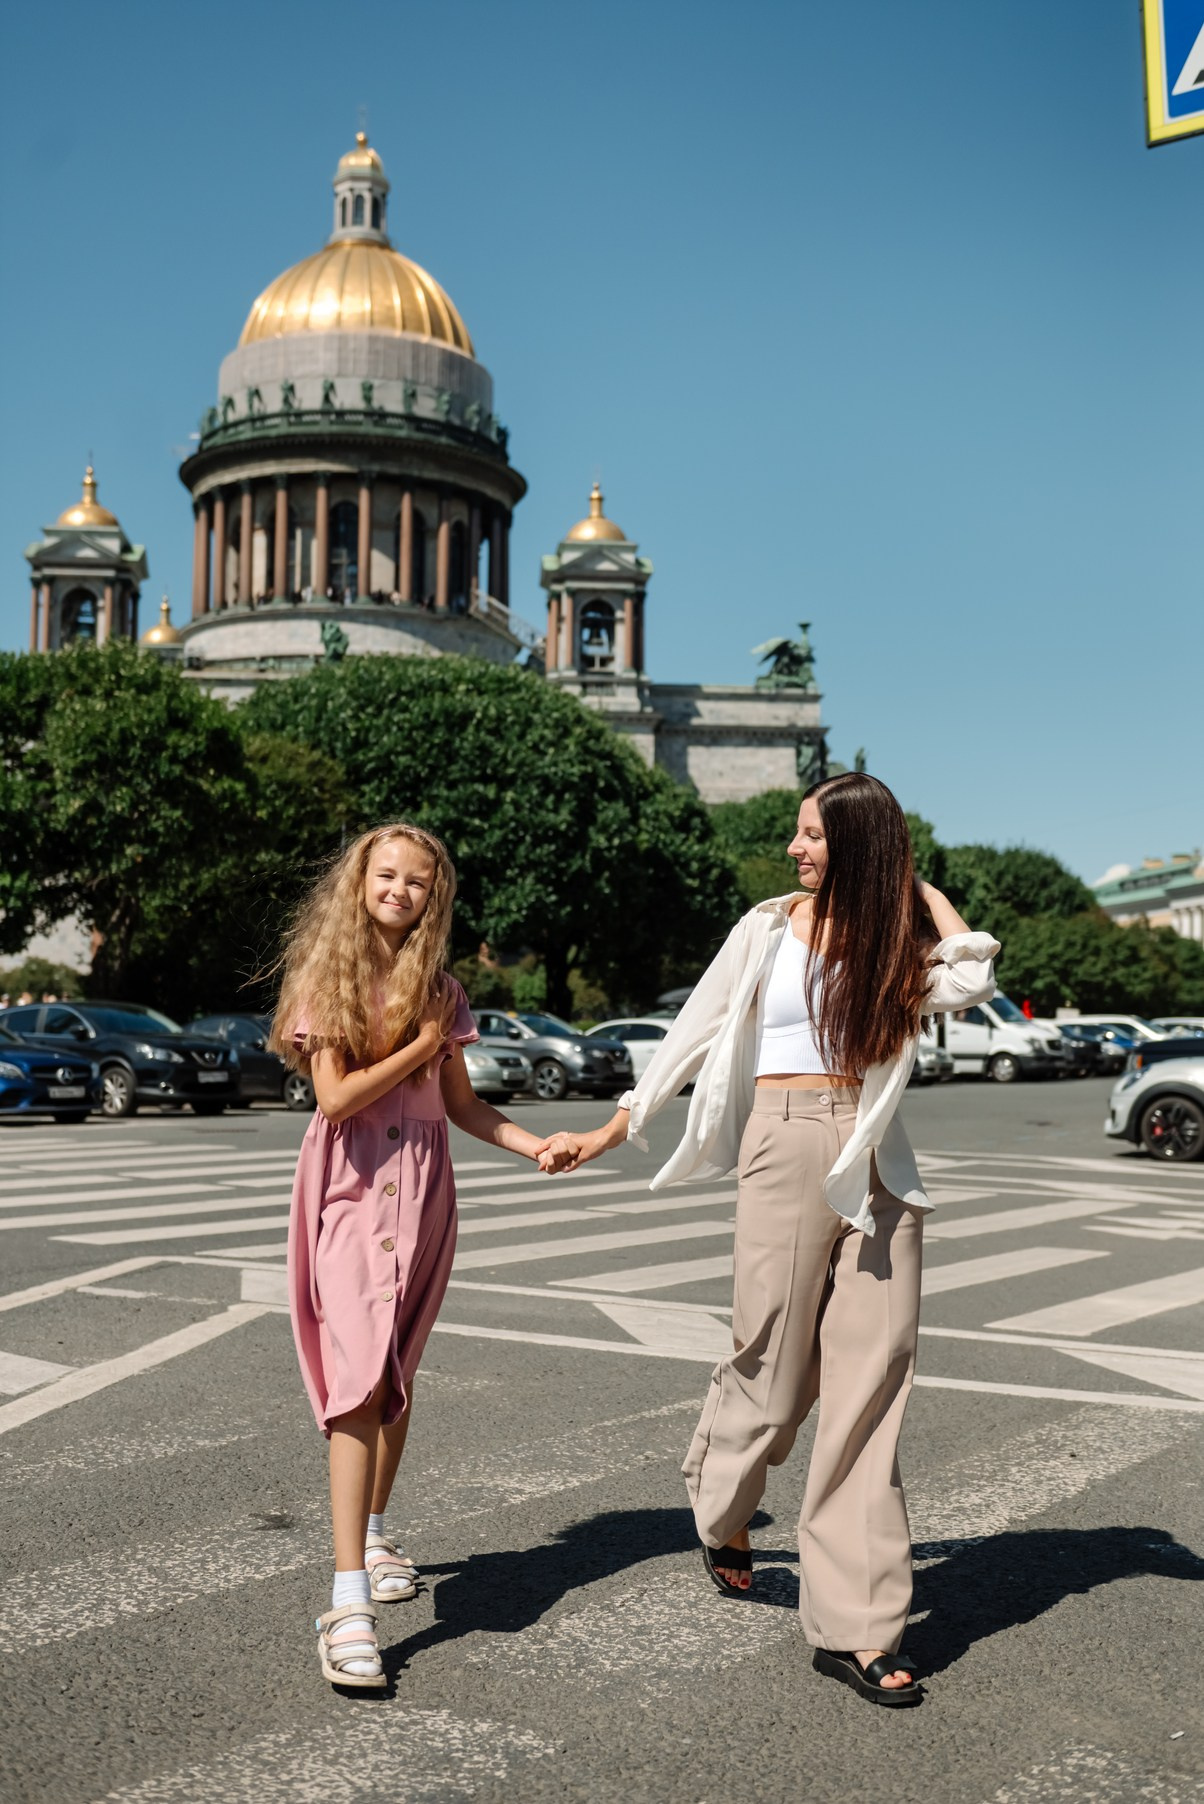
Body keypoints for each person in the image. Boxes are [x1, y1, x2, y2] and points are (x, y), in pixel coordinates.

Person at [548, 773, 999, 1708]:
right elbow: (692, 1031)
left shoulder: (896, 941)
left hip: (873, 1158)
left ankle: (859, 1627)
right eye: (798, 834)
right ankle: (723, 1507)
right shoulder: (763, 928)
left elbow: (971, 976)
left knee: (872, 1384)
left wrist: (916, 892)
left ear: (862, 849)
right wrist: (613, 1128)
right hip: (782, 1141)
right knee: (773, 1364)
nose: (795, 849)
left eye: (815, 837)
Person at [271, 822, 562, 1690]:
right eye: (385, 876)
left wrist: (532, 1143)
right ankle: (347, 1601)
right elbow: (335, 1097)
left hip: (426, 1194)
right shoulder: (331, 977)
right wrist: (418, 1043)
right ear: (358, 884)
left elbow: (463, 1106)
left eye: (418, 882)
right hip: (353, 1193)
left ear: (437, 896)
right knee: (355, 1386)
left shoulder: (443, 988)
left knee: (395, 1377)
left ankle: (375, 1526)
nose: (400, 890)